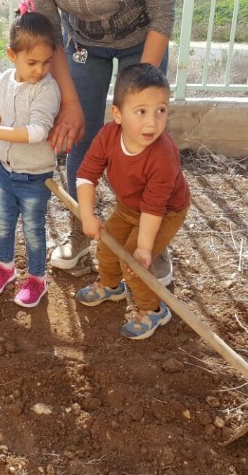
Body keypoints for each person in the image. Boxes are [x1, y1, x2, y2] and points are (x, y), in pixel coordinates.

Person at [25, 0, 176, 284]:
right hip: (82, 44)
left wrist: (140, 98)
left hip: (142, 37)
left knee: (144, 140)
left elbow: (163, 14)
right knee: (80, 135)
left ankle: (151, 242)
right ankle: (81, 228)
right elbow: (51, 33)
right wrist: (70, 104)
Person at [74, 63, 190, 340]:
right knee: (107, 246)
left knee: (134, 263)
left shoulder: (163, 155)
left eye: (161, 110)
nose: (152, 122)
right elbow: (86, 175)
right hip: (129, 206)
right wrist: (87, 215)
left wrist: (144, 248)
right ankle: (111, 286)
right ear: (118, 114)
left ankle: (154, 310)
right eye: (141, 112)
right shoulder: (108, 136)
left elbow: (154, 207)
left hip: (165, 212)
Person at [0, 4, 60, 308]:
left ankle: (36, 279)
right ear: (12, 55)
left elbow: (36, 132)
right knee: (3, 224)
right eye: (32, 62)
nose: (40, 70)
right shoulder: (1, 82)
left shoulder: (47, 89)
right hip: (4, 171)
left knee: (34, 231)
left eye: (47, 62)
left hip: (35, 177)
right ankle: (5, 269)